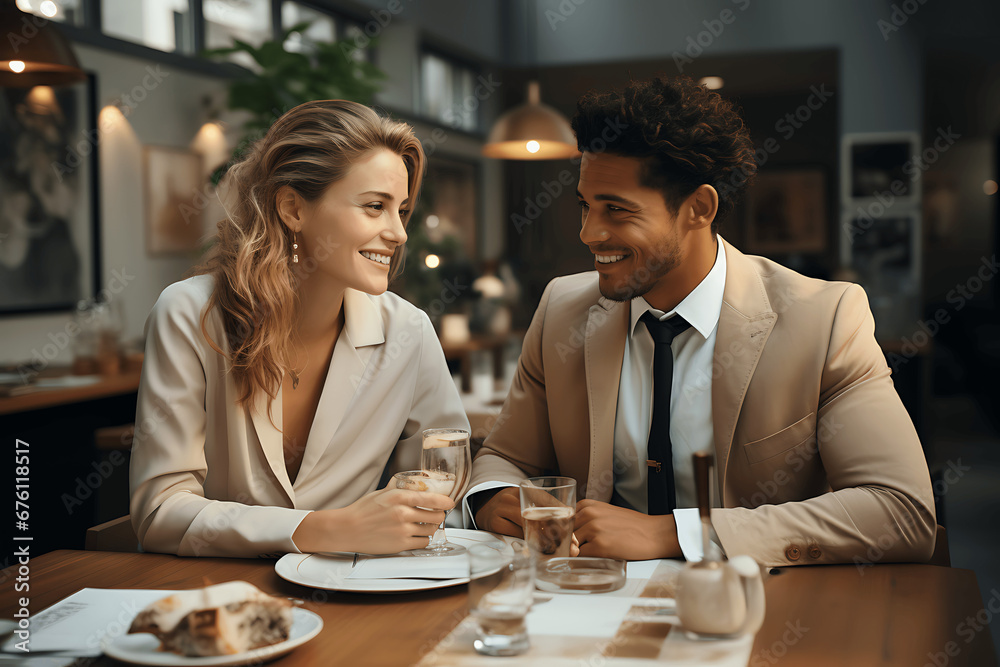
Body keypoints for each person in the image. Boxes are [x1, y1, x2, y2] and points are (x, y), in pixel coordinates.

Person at [466, 77, 936, 567]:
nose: (589, 233)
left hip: (756, 615)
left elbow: (900, 511)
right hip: (586, 606)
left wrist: (677, 534)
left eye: (616, 210)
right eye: (585, 206)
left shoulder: (825, 319)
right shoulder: (562, 310)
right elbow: (504, 457)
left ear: (699, 208)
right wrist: (493, 496)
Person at [130, 100, 468, 558]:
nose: (399, 232)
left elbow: (445, 485)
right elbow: (159, 512)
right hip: (219, 598)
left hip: (359, 599)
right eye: (374, 207)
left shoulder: (409, 332)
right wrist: (326, 529)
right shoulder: (190, 315)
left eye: (400, 209)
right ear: (293, 208)